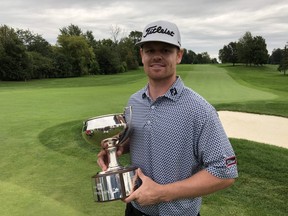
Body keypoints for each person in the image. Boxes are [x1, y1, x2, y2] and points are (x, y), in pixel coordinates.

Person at [98, 20, 238, 216]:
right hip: (135, 210)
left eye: (165, 50)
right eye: (150, 50)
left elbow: (225, 172)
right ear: (142, 55)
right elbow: (148, 134)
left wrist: (162, 193)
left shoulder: (199, 109)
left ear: (178, 55)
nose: (157, 56)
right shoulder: (134, 101)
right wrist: (119, 147)